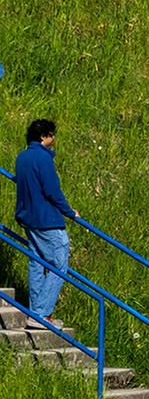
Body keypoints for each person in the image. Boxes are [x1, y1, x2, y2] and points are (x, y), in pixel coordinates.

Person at [12, 119, 77, 329]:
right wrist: (70, 212)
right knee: (59, 264)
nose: (54, 138)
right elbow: (52, 190)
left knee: (37, 262)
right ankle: (41, 313)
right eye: (52, 135)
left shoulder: (22, 157)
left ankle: (35, 311)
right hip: (47, 220)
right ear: (43, 137)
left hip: (27, 218)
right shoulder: (43, 159)